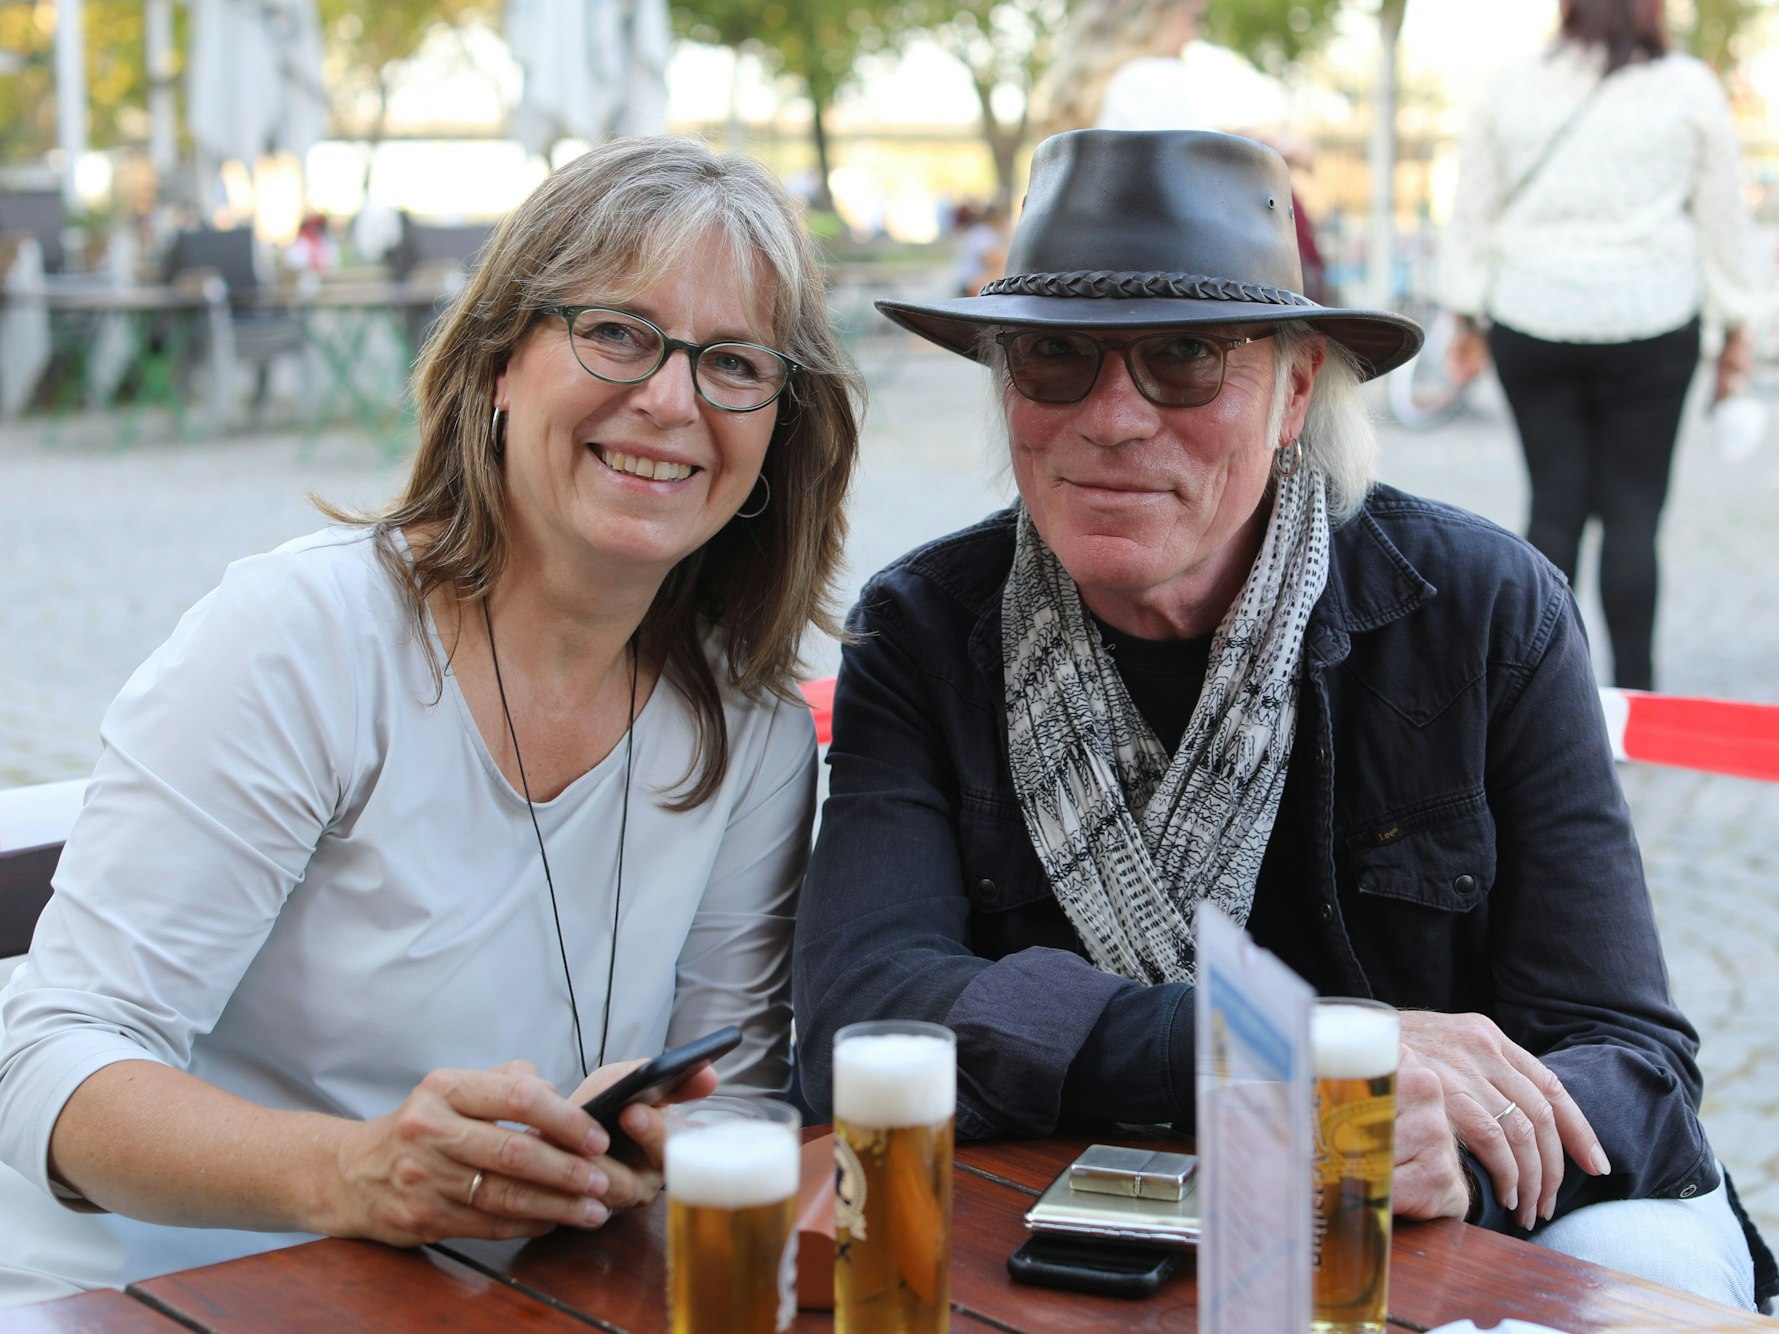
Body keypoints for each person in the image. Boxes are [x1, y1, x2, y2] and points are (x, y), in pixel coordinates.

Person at [793, 129, 1773, 1312]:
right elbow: (864, 1012)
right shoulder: (923, 627)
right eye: (1054, 356)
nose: (1113, 416)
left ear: (1296, 388)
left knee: (1650, 1281)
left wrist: (1442, 1156)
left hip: (1455, 1231)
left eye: (1186, 357)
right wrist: (1278, 1051)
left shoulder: (1483, 610)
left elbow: (1633, 1060)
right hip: (1090, 1216)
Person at [0, 136, 861, 1305]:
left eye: (735, 362)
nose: (672, 399)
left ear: (777, 429)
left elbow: (741, 1097)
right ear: (498, 363)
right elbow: (50, 1058)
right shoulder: (306, 636)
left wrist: (649, 1145)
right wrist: (355, 1172)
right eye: (618, 333)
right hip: (151, 1293)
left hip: (480, 1298)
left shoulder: (750, 729)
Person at [1438, 0, 1765, 691]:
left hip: (1532, 313)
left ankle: (1539, 698)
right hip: (1654, 317)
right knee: (1633, 518)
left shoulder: (1513, 84)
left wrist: (1464, 315)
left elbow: (1473, 209)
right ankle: (1635, 696)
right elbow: (1722, 220)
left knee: (1552, 510)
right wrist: (1738, 327)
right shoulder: (1689, 88)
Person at [1038, 0, 1206, 135]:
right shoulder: (1152, 79)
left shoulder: (1099, 93)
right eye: (1193, 18)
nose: (1191, 36)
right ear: (1158, 13)